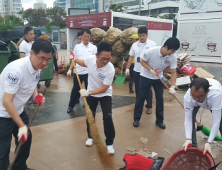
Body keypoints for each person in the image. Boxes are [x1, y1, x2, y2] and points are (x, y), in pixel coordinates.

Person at [0, 39, 54, 170]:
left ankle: (19, 167)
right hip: (2, 113)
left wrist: (36, 95)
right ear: (31, 53)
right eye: (42, 58)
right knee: (3, 150)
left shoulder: (37, 66)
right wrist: (21, 125)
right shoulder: (16, 70)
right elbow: (6, 102)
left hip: (17, 109)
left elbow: (32, 82)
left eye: (48, 59)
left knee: (25, 140)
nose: (45, 63)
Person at [71, 42, 115, 154]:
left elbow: (104, 88)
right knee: (90, 116)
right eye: (103, 58)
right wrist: (74, 58)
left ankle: (109, 143)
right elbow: (83, 63)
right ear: (97, 55)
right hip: (91, 94)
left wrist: (88, 92)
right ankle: (90, 136)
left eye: (108, 59)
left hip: (104, 94)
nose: (105, 61)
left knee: (108, 118)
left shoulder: (110, 69)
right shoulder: (90, 59)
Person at [133, 37, 180, 129]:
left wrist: (173, 87)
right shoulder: (152, 51)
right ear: (166, 47)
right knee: (141, 97)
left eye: (174, 51)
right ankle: (136, 119)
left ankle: (159, 121)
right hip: (146, 76)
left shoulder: (172, 57)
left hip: (159, 77)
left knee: (159, 98)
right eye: (172, 50)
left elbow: (174, 72)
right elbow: (142, 61)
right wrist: (150, 70)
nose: (173, 53)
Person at [183, 78, 222, 155]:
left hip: (212, 102)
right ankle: (192, 146)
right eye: (194, 96)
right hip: (196, 101)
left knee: (221, 122)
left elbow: (216, 123)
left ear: (207, 92)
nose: (196, 99)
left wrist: (209, 142)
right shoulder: (188, 97)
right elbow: (188, 119)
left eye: (200, 96)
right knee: (191, 119)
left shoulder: (216, 96)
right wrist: (188, 138)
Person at [125, 27, 156, 114]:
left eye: (143, 35)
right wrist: (127, 68)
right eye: (140, 35)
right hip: (137, 70)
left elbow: (155, 57)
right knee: (138, 89)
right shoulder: (134, 45)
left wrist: (152, 69)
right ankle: (139, 105)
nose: (141, 37)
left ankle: (149, 106)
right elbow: (131, 57)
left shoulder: (152, 44)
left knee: (147, 89)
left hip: (147, 71)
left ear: (147, 35)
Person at [66, 29, 97, 113]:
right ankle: (70, 106)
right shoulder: (77, 47)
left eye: (88, 36)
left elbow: (95, 61)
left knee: (89, 90)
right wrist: (70, 69)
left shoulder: (94, 48)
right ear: (81, 37)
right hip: (78, 72)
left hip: (89, 73)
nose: (86, 38)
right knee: (75, 90)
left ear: (90, 37)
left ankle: (89, 105)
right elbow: (73, 59)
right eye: (84, 36)